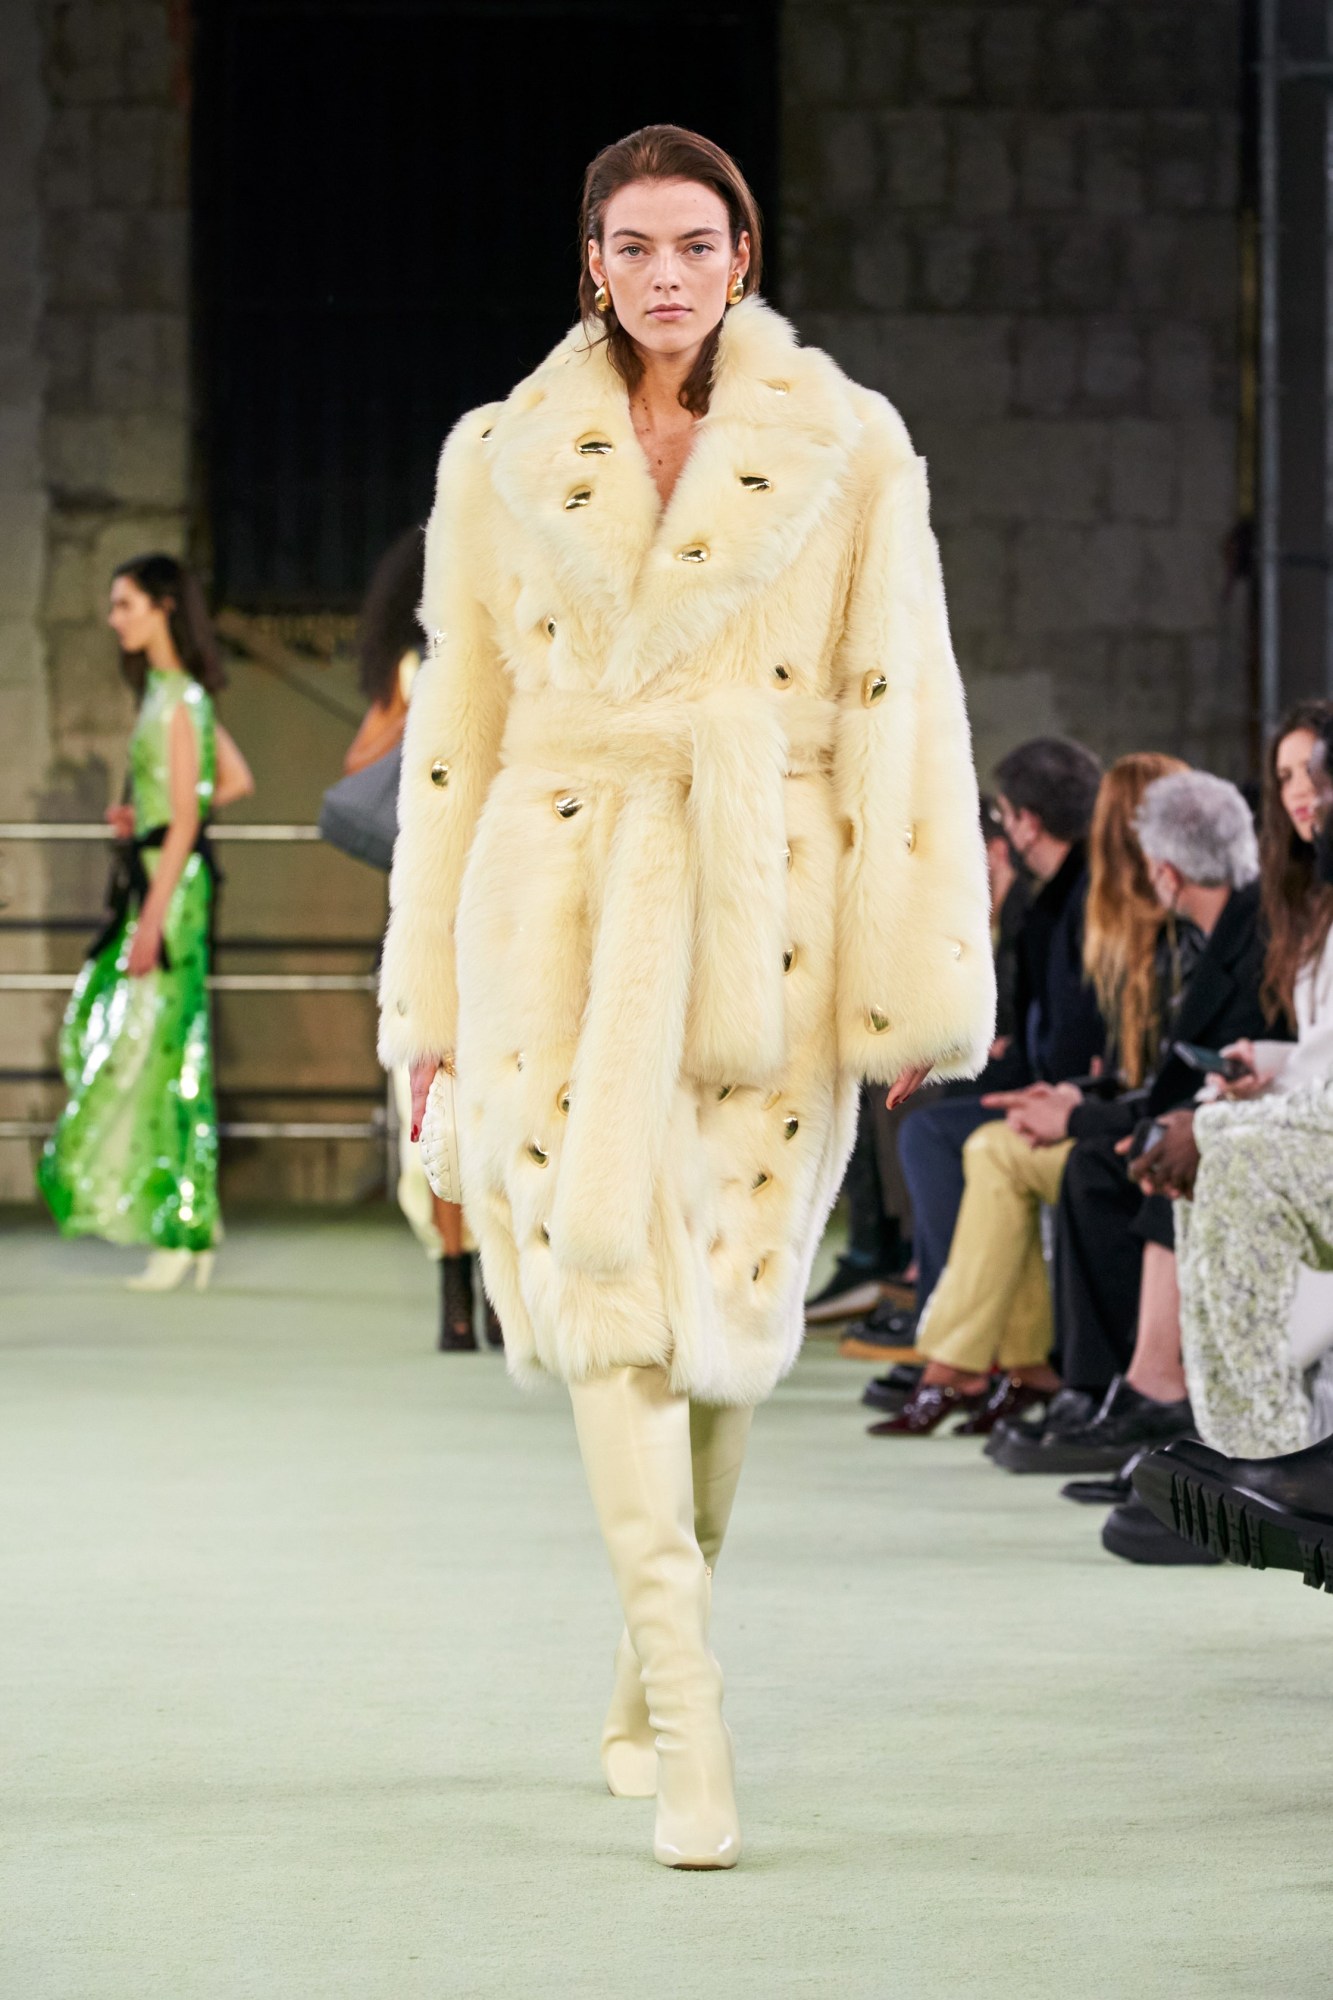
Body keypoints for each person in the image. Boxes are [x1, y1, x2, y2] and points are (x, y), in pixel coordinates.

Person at [377, 126, 995, 1870]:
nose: (664, 275)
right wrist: (427, 1002)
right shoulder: (498, 455)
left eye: (694, 244)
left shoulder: (850, 445)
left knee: (725, 1318)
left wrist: (911, 985)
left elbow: (902, 707)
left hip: (762, 909)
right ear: (592, 259)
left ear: (743, 255)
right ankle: (694, 1704)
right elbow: (453, 739)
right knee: (609, 1297)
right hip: (555, 905)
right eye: (633, 245)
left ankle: (644, 1671)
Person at [871, 753, 1186, 1435]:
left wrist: (1077, 1101)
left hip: (1124, 1118)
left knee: (960, 1138)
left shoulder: (1109, 915)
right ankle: (1001, 1362)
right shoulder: (1085, 909)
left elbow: (1111, 1056)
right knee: (979, 1141)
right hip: (1098, 1102)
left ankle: (955, 1356)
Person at [987, 768, 1269, 1476]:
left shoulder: (1246, 937)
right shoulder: (1222, 933)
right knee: (1098, 1165)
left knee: (1136, 1164)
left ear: (1165, 870)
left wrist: (1084, 1113)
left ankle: (1148, 1390)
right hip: (1218, 1119)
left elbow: (1197, 1083)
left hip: (1245, 1130)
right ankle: (1102, 1385)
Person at [37, 553, 254, 1288]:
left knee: (167, 1048)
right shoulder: (169, 693)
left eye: (125, 604)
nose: (114, 619)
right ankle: (187, 1221)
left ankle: (183, 1224)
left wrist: (153, 917)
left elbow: (194, 812)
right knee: (153, 1043)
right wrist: (149, 819)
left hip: (170, 892)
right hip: (161, 880)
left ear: (163, 607)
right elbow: (224, 783)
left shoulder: (181, 697)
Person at [1134, 705, 1333, 1462]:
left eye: (1315, 771)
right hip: (1307, 1115)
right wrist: (1272, 1063)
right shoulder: (1307, 901)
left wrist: (1208, 1127)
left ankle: (1262, 1452)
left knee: (1218, 1154)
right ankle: (1228, 1440)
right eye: (1285, 776)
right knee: (1193, 1151)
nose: (1302, 790)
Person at [883, 737, 1105, 1355]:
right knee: (926, 1120)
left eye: (1004, 816)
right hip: (1052, 1082)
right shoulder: (1059, 900)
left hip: (1073, 1095)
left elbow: (1070, 1032)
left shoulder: (1073, 901)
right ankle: (952, 1330)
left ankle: (948, 1333)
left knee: (929, 1132)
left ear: (1027, 824)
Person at [344, 530, 499, 1352]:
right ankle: (463, 1286)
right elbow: (360, 766)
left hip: (494, 894)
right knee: (443, 1102)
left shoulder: (513, 658)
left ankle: (483, 1288)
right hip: (444, 896)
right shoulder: (421, 670)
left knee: (488, 1100)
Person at [808, 795, 1027, 1331]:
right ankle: (879, 1248)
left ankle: (915, 1259)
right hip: (981, 1055)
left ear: (998, 850)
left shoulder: (1026, 913)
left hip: (1018, 1068)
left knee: (917, 1098)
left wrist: (985, 1039)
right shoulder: (959, 911)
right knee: (876, 1075)